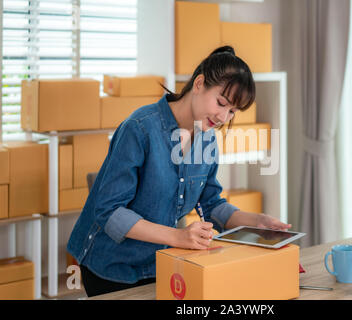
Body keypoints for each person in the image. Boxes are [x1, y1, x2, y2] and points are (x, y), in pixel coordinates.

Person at [66, 45, 291, 297]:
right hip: (110, 266)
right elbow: (109, 210)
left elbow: (211, 203)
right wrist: (178, 237)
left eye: (232, 112)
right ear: (199, 83)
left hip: (160, 262)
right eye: (221, 103)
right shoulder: (140, 129)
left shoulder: (206, 139)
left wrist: (256, 221)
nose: (223, 117)